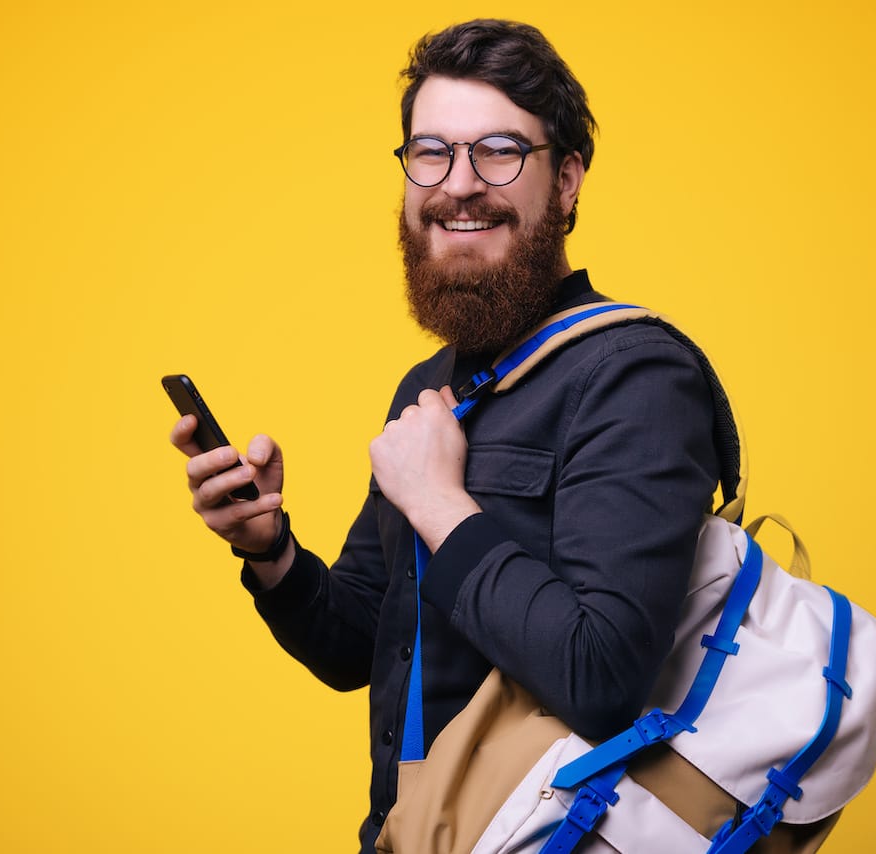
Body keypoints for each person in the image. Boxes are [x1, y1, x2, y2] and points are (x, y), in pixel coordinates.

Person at [169, 19, 719, 853]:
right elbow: (360, 645)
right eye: (431, 153)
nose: (458, 185)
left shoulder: (637, 377)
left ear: (566, 181)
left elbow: (603, 678)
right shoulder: (428, 389)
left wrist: (439, 503)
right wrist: (270, 550)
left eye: (499, 151)